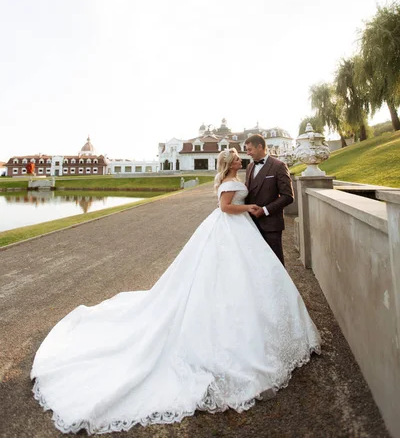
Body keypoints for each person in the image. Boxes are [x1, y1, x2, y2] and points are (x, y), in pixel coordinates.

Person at [31, 148, 320, 435]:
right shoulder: (231, 181)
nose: (239, 158)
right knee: (220, 279)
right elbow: (225, 208)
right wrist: (248, 208)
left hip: (241, 230)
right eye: (235, 157)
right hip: (231, 225)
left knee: (246, 277)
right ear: (229, 163)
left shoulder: (239, 175)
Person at [244, 134, 294, 266]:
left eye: (250, 149)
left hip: (271, 225)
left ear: (260, 147)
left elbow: (288, 196)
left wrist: (265, 210)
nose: (248, 153)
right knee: (257, 263)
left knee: (275, 263)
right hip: (251, 224)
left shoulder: (279, 166)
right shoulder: (250, 167)